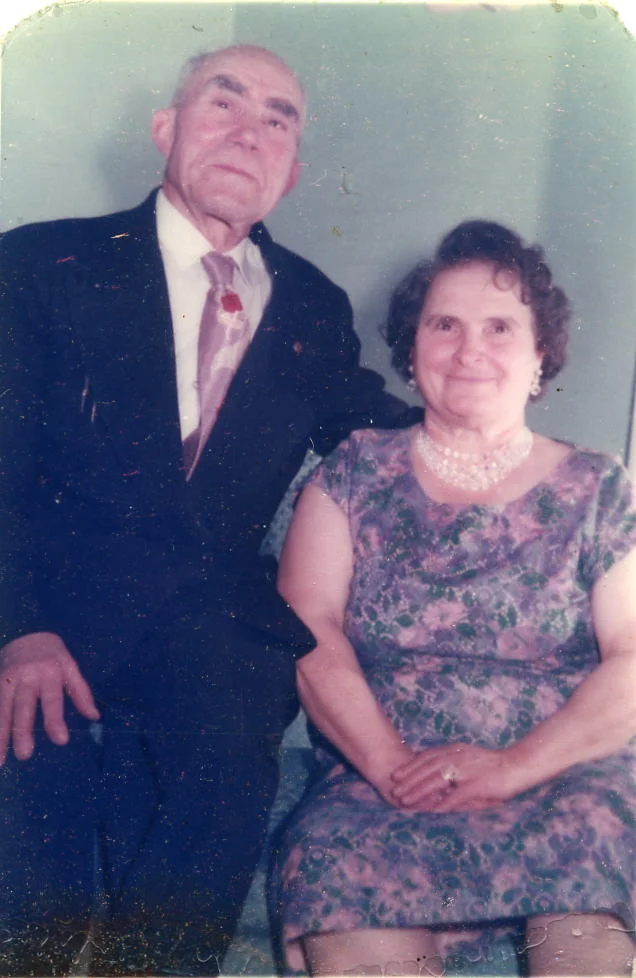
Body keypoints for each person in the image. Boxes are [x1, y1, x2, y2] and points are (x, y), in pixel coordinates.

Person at [0, 45, 419, 977]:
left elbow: (371, 424)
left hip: (211, 629)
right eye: (222, 102)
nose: (249, 129)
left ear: (294, 170)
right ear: (167, 128)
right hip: (51, 612)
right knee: (36, 816)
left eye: (279, 118)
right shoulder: (42, 263)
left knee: (233, 739)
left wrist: (499, 443)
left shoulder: (312, 301)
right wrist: (18, 625)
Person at [271, 221, 636, 977]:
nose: (470, 350)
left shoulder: (600, 488)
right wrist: (390, 766)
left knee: (586, 940)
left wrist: (511, 768)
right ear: (412, 350)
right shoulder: (351, 473)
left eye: (500, 327)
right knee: (338, 874)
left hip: (566, 776)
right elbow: (309, 624)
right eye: (445, 325)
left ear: (541, 354)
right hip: (386, 776)